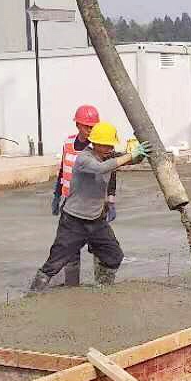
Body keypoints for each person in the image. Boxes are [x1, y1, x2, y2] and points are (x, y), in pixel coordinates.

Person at [30, 122, 151, 290]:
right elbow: (101, 168)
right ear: (95, 143)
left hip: (96, 221)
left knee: (114, 255)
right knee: (55, 262)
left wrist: (141, 152)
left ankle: (102, 288)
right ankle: (33, 294)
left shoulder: (108, 156)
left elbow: (130, 160)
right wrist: (130, 156)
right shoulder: (84, 158)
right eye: (106, 144)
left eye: (111, 144)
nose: (109, 147)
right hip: (73, 221)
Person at [48, 105, 117, 287]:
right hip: (70, 201)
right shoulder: (68, 143)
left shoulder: (97, 146)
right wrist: (56, 195)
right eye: (87, 126)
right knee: (69, 249)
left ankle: (101, 285)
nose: (90, 130)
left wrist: (111, 199)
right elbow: (63, 169)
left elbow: (111, 171)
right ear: (78, 125)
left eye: (93, 127)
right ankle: (72, 287)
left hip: (93, 203)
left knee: (99, 247)